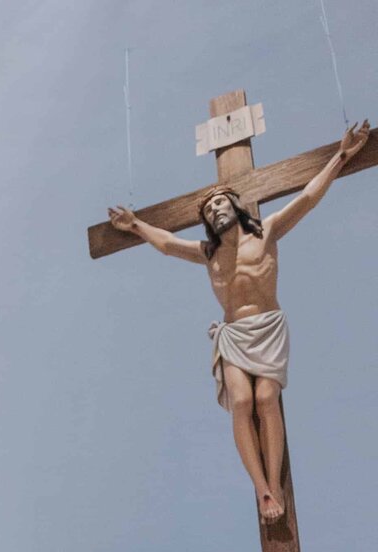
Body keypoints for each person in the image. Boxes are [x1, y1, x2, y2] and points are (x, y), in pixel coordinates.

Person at [108, 119, 370, 523]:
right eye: (209, 209)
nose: (215, 209)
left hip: (267, 327)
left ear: (236, 205)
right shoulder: (207, 254)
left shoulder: (266, 233)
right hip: (232, 335)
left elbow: (307, 197)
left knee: (266, 399)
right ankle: (263, 489)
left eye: (221, 203)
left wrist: (341, 155)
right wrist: (135, 225)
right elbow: (166, 244)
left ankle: (276, 482)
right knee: (242, 402)